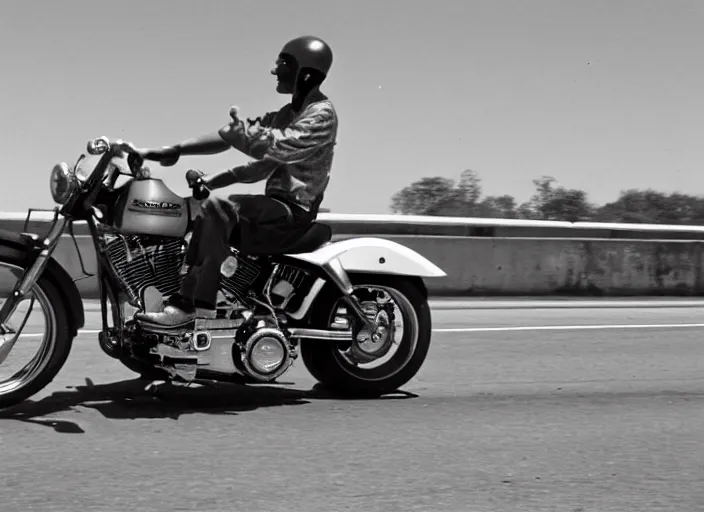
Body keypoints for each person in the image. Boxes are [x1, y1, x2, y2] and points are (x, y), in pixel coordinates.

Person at [124, 35, 338, 327]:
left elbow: (281, 147)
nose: (275, 71)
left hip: (293, 210)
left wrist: (242, 137)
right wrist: (174, 151)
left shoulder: (321, 114)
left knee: (216, 208)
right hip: (274, 205)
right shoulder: (286, 114)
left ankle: (193, 306)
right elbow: (242, 151)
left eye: (284, 63)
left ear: (306, 73)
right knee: (188, 209)